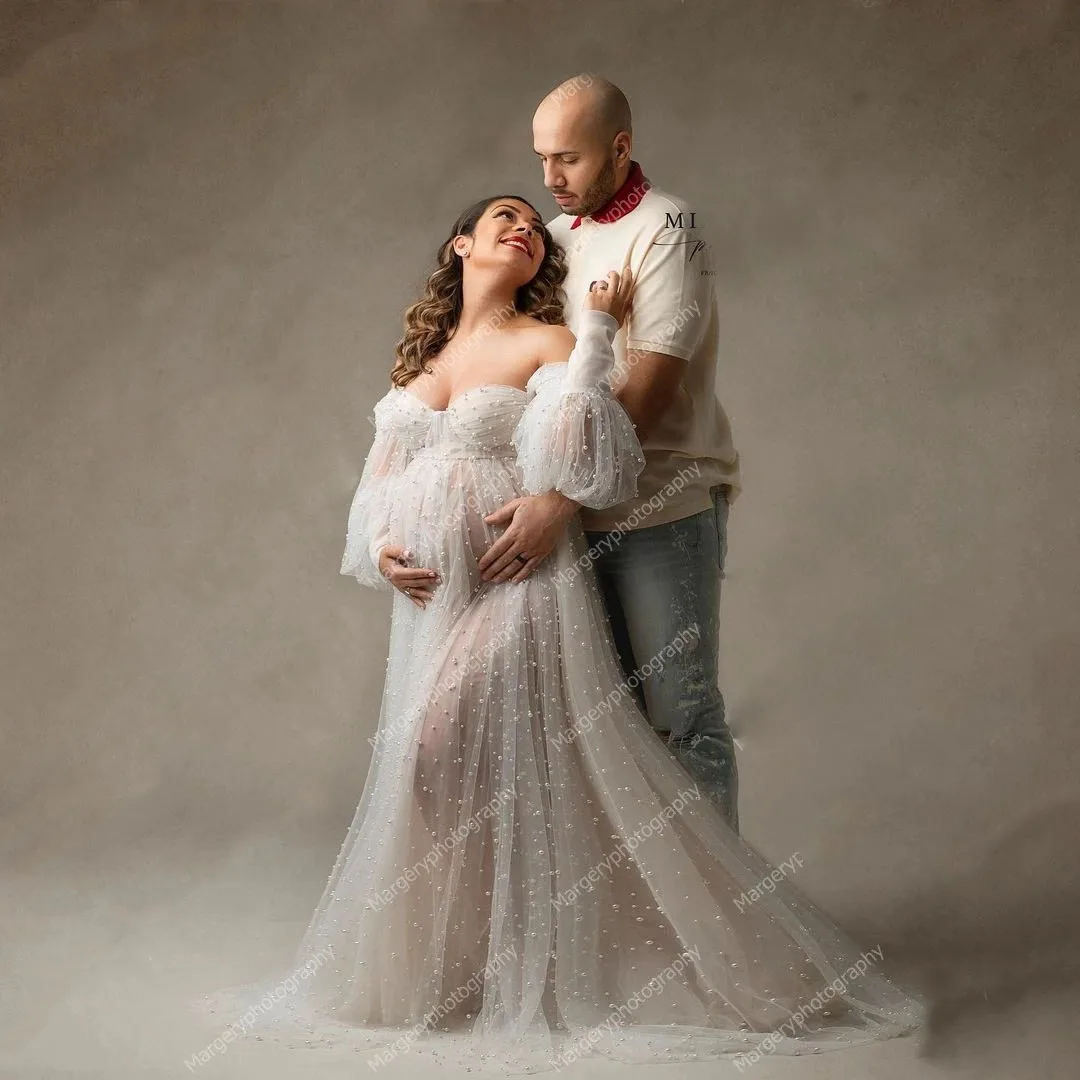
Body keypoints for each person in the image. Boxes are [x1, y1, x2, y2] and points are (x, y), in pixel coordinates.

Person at [195, 192, 925, 1072]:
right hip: (438, 600)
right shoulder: (425, 358)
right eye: (505, 215)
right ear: (460, 244)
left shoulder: (548, 340)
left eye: (533, 227)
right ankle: (487, 951)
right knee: (452, 767)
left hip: (523, 580)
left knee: (443, 745)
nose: (524, 228)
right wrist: (383, 547)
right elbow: (381, 477)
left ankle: (651, 951)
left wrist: (598, 333)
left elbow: (584, 450)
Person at [479, 75, 742, 832]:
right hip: (565, 527)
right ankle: (638, 901)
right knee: (603, 733)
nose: (549, 178)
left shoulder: (670, 229)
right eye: (541, 158)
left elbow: (648, 395)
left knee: (681, 718)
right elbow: (511, 375)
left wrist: (558, 501)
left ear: (621, 148)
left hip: (660, 504)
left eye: (568, 158)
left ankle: (711, 905)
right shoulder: (552, 240)